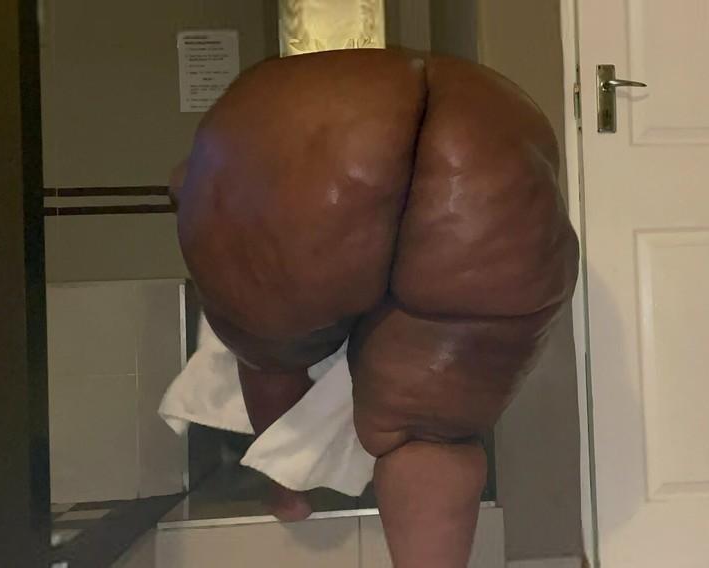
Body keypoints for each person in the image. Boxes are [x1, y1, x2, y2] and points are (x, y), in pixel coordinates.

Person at [169, 48, 578, 567]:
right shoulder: (480, 95)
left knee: (272, 349)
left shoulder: (278, 95)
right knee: (431, 431)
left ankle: (289, 488)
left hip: (282, 133)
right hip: (492, 142)